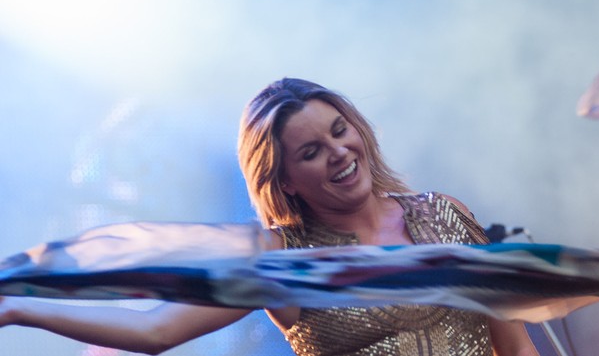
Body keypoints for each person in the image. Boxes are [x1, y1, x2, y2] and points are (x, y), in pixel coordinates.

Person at [0, 77, 540, 356]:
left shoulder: (445, 216)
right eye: (310, 153)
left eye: (338, 131)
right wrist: (21, 309)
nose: (339, 153)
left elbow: (514, 346)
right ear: (283, 181)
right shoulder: (282, 261)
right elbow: (157, 330)